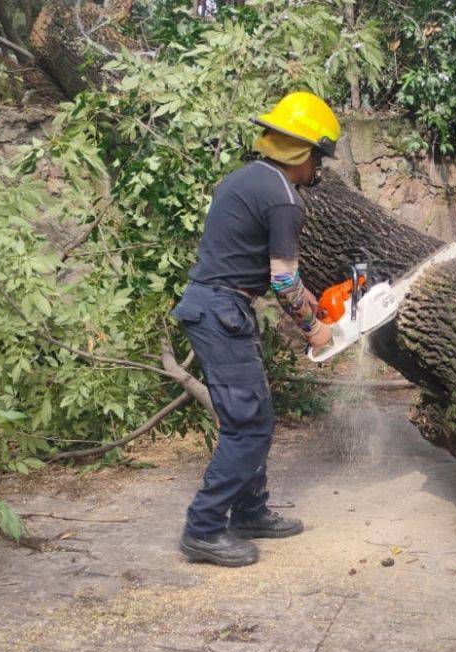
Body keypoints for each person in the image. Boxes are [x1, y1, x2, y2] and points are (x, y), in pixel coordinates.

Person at [170, 92, 339, 567]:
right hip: (221, 312)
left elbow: (265, 270)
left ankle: (249, 512)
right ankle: (202, 529)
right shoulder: (284, 198)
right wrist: (314, 331)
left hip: (216, 308)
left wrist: (315, 307)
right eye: (317, 159)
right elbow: (284, 279)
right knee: (247, 426)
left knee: (255, 415)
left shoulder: (243, 180)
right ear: (303, 154)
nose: (316, 170)